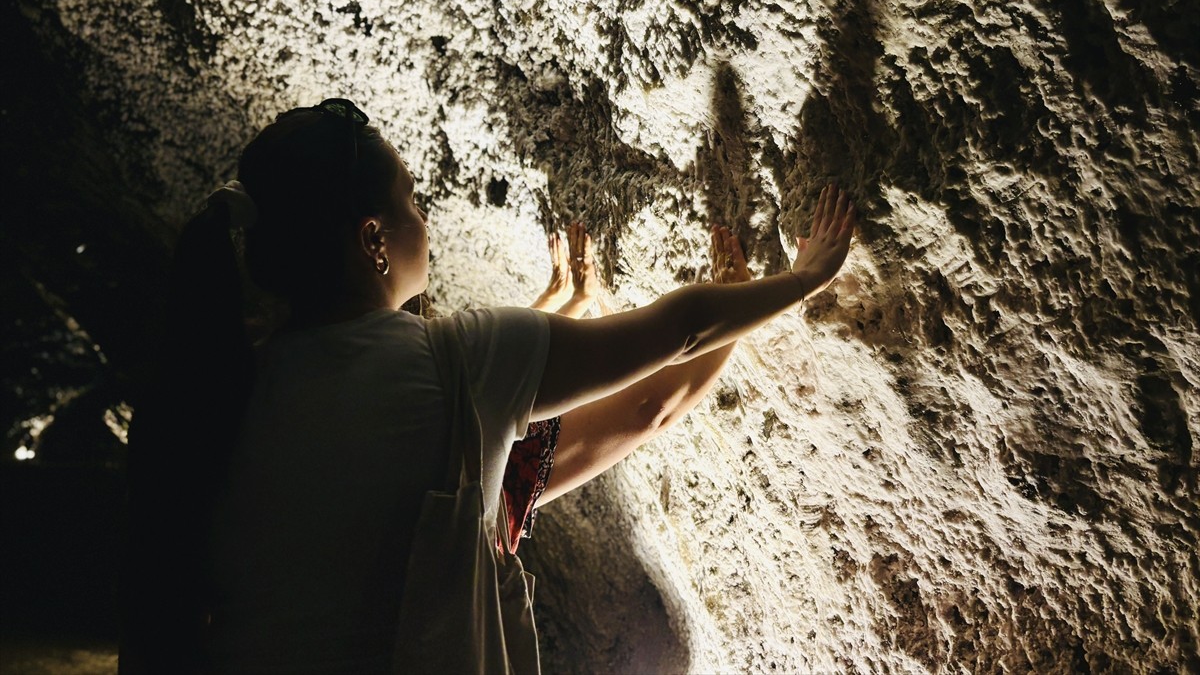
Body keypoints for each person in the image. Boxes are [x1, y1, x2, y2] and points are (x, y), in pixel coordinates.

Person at [119, 98, 855, 673]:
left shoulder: (227, 390)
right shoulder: (459, 363)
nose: (425, 219)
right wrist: (803, 278)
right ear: (373, 239)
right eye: (411, 201)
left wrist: (558, 305)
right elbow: (675, 337)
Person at [502, 221, 752, 550]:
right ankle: (733, 312)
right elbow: (648, 410)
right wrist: (736, 306)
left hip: (465, 473)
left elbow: (490, 362)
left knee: (644, 410)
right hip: (472, 497)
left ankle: (731, 312)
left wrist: (569, 299)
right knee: (646, 411)